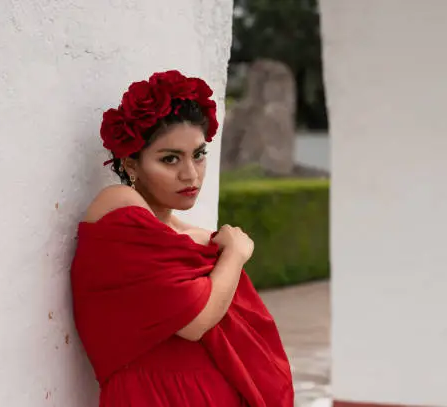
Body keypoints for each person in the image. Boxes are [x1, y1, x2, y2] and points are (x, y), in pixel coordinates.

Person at [70, 70, 294, 407]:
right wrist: (234, 254)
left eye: (198, 155)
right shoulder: (117, 205)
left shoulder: (191, 236)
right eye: (169, 159)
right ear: (132, 163)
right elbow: (196, 321)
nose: (190, 174)